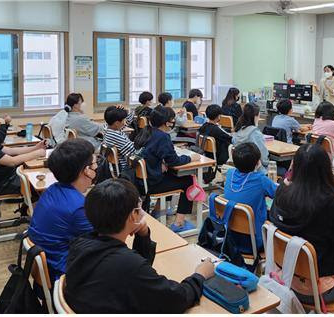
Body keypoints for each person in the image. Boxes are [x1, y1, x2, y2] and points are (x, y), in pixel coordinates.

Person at [65, 178, 214, 313]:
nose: (141, 213)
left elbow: (141, 270)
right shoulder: (126, 264)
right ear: (132, 216)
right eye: (138, 209)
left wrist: (143, 234)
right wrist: (200, 275)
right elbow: (177, 299)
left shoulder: (81, 244)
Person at [269, 143, 334, 314]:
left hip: (285, 276)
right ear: (326, 169)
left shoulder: (282, 192)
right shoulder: (324, 205)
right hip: (314, 291)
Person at [27, 138, 96, 281]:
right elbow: (102, 242)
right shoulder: (78, 208)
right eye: (94, 163)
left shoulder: (51, 190)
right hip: (63, 277)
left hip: (48, 268)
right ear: (86, 171)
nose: (96, 166)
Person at [134, 107, 200, 232]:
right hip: (152, 183)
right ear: (166, 122)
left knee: (172, 174)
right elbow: (174, 161)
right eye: (172, 119)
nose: (173, 121)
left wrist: (161, 163)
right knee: (189, 181)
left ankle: (158, 210)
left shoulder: (146, 131)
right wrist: (191, 158)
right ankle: (179, 223)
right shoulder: (163, 137)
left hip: (141, 181)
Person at [224, 143, 277, 252]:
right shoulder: (261, 180)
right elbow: (280, 194)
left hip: (230, 237)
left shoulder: (230, 174)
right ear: (258, 162)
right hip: (255, 240)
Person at [233, 103, 269, 172]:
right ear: (255, 116)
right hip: (257, 170)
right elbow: (264, 160)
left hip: (241, 168)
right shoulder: (255, 133)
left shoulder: (238, 129)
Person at [103, 105, 135, 171]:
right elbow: (134, 152)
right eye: (123, 120)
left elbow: (127, 122)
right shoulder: (116, 136)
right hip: (124, 169)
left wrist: (125, 111)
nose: (125, 122)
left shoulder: (107, 128)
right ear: (117, 123)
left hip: (114, 167)